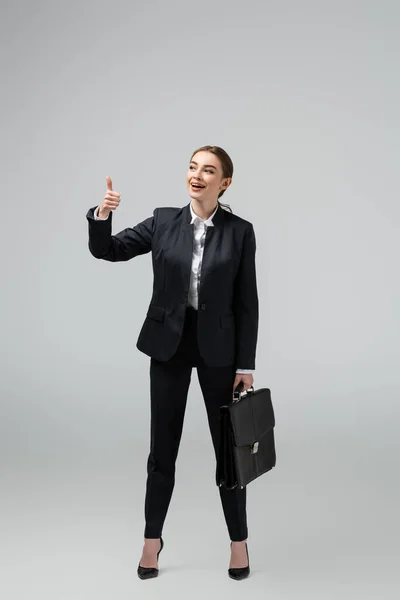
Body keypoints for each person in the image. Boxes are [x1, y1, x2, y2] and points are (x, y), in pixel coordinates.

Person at [86, 145, 259, 580]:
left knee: (229, 453)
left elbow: (247, 304)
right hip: (169, 348)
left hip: (219, 351)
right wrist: (101, 216)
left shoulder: (240, 232)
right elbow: (109, 250)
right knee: (162, 451)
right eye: (192, 167)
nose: (196, 176)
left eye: (208, 171)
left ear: (226, 182)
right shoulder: (164, 221)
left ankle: (238, 543)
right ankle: (151, 541)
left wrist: (245, 365)